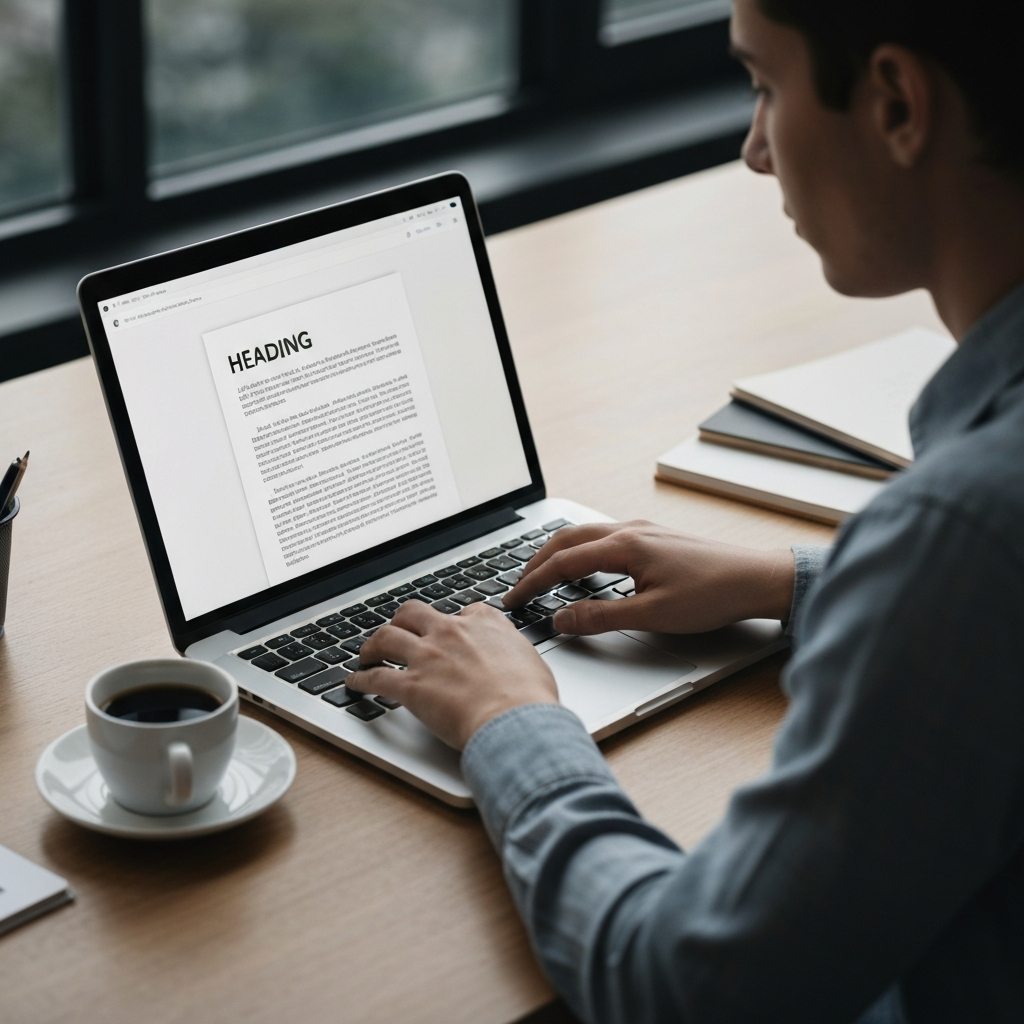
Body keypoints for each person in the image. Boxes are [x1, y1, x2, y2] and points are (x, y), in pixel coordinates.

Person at [352, 1, 1024, 1020]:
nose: (754, 149)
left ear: (896, 104)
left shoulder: (964, 535)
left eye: (764, 85)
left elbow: (685, 986)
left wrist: (509, 720)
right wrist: (798, 583)